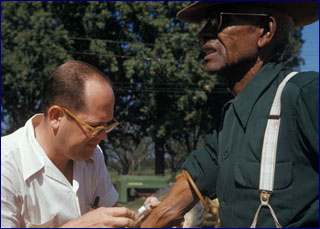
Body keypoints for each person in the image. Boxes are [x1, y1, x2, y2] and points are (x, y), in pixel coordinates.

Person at [141, 1, 319, 228]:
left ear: (265, 31)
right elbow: (173, 205)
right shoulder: (228, 123)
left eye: (218, 20)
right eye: (205, 23)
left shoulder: (306, 94)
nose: (203, 33)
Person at [1, 60, 159, 228]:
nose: (104, 136)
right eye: (94, 126)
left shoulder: (93, 155)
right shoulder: (7, 166)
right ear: (56, 116)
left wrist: (142, 219)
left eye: (107, 125)